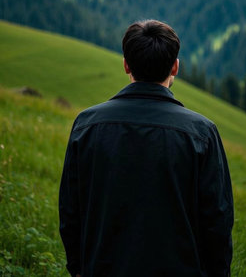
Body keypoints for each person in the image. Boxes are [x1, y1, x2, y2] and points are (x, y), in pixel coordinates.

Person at [59, 19, 234, 277]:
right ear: (175, 67)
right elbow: (217, 221)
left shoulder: (87, 125)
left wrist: (78, 268)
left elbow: (71, 212)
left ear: (126, 65)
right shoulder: (202, 133)